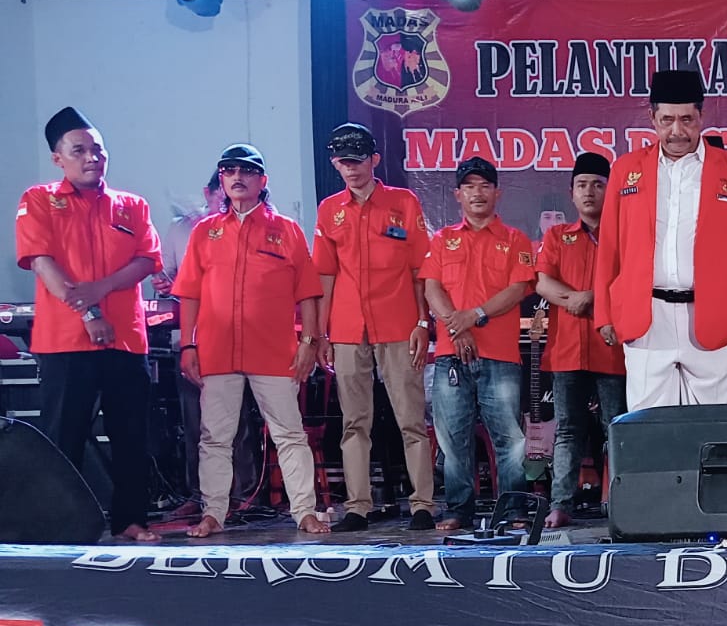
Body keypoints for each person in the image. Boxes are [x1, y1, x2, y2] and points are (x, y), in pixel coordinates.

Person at [14, 107, 163, 542]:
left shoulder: (131, 205)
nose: (92, 157)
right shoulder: (39, 200)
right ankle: (57, 527)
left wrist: (101, 289)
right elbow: (42, 262)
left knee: (131, 436)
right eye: (78, 150)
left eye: (97, 149)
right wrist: (89, 313)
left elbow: (146, 260)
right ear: (58, 158)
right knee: (63, 438)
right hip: (65, 341)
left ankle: (131, 520)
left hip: (126, 339)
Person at [172, 143, 328, 537]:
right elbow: (189, 293)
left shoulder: (286, 230)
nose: (237, 177)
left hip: (274, 352)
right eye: (229, 171)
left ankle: (304, 512)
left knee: (289, 433)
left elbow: (308, 293)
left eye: (246, 171)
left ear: (263, 180)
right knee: (214, 437)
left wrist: (309, 342)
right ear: (222, 181)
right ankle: (213, 513)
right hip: (217, 350)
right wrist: (188, 345)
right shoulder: (205, 232)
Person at [594, 69, 727, 409]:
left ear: (701, 116)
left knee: (713, 426)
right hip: (646, 317)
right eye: (667, 120)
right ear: (652, 118)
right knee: (647, 426)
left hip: (715, 316)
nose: (677, 131)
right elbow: (610, 249)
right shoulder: (626, 170)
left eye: (687, 119)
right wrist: (604, 314)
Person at [312, 123, 436, 532]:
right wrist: (321, 333)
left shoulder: (403, 202)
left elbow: (420, 269)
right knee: (354, 421)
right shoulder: (329, 209)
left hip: (399, 322)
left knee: (410, 418)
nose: (350, 168)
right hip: (348, 327)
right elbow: (324, 276)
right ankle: (357, 507)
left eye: (357, 160)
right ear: (335, 163)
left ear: (374, 160)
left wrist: (423, 321)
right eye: (343, 161)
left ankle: (423, 504)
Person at [420, 156, 536, 531]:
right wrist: (458, 327)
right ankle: (458, 509)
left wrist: (476, 315)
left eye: (484, 185)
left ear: (497, 192)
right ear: (458, 194)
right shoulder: (443, 240)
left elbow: (518, 288)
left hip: (500, 354)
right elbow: (432, 288)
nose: (477, 193)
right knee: (453, 437)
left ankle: (515, 509)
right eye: (469, 186)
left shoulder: (516, 240)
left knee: (509, 438)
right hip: (451, 354)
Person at [535, 151, 627, 529]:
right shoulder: (558, 236)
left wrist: (593, 298)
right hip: (567, 349)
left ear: (611, 190)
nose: (589, 192)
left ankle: (622, 502)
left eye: (598, 185)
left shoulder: (624, 235)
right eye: (582, 185)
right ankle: (560, 504)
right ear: (571, 193)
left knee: (615, 429)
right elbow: (542, 283)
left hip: (613, 349)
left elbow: (632, 283)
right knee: (568, 430)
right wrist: (576, 298)